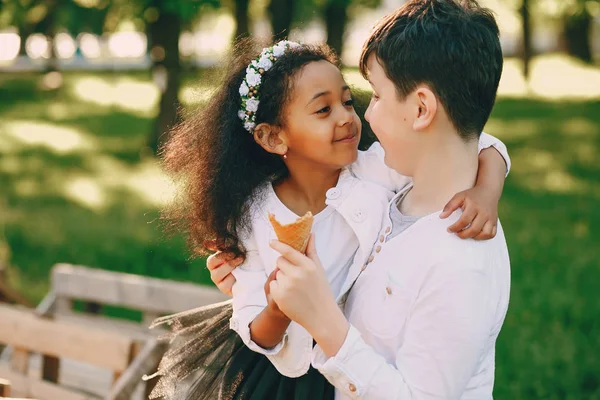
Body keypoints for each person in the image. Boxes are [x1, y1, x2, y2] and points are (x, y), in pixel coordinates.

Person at [149, 34, 510, 399]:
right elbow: (252, 325)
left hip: (356, 362)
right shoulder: (254, 217)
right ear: (273, 138)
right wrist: (279, 308)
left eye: (348, 102)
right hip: (285, 380)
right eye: (323, 110)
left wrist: (487, 189)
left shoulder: (373, 171)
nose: (348, 118)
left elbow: (465, 140)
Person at [258, 1, 511, 399]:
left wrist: (325, 321)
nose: (366, 116)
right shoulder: (394, 194)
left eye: (375, 96)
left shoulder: (463, 261)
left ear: (422, 109)